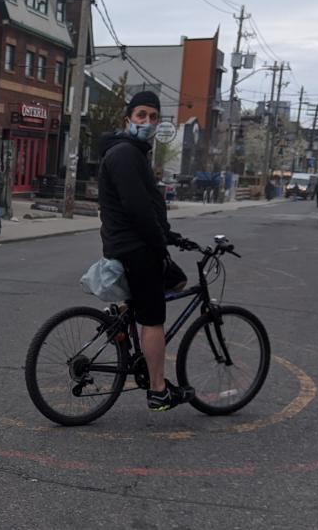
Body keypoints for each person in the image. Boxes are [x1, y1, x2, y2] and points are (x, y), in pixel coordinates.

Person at [96, 91, 194, 412]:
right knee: (153, 319)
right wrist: (159, 242)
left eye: (153, 117)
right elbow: (138, 209)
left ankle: (123, 323)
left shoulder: (133, 152)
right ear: (127, 120)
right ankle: (158, 390)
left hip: (128, 244)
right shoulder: (125, 154)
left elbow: (148, 206)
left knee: (162, 289)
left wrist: (170, 235)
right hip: (134, 247)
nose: (148, 122)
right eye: (141, 115)